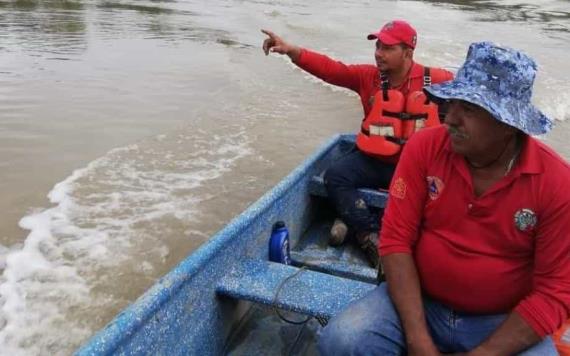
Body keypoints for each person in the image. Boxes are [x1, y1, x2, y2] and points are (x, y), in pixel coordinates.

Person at [318, 41, 570, 355]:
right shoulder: (424, 148)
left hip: (503, 320)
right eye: (451, 104)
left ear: (509, 125)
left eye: (469, 109)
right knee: (342, 340)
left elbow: (554, 292)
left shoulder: (556, 182)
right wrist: (419, 340)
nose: (450, 118)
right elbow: (396, 241)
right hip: (419, 302)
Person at [262, 20, 453, 268]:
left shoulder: (437, 80)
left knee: (447, 193)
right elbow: (332, 70)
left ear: (407, 52)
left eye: (387, 48)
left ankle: (351, 223)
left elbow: (470, 106)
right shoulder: (368, 77)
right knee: (335, 176)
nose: (378, 53)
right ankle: (369, 236)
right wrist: (292, 51)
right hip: (377, 160)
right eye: (378, 46)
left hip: (418, 168)